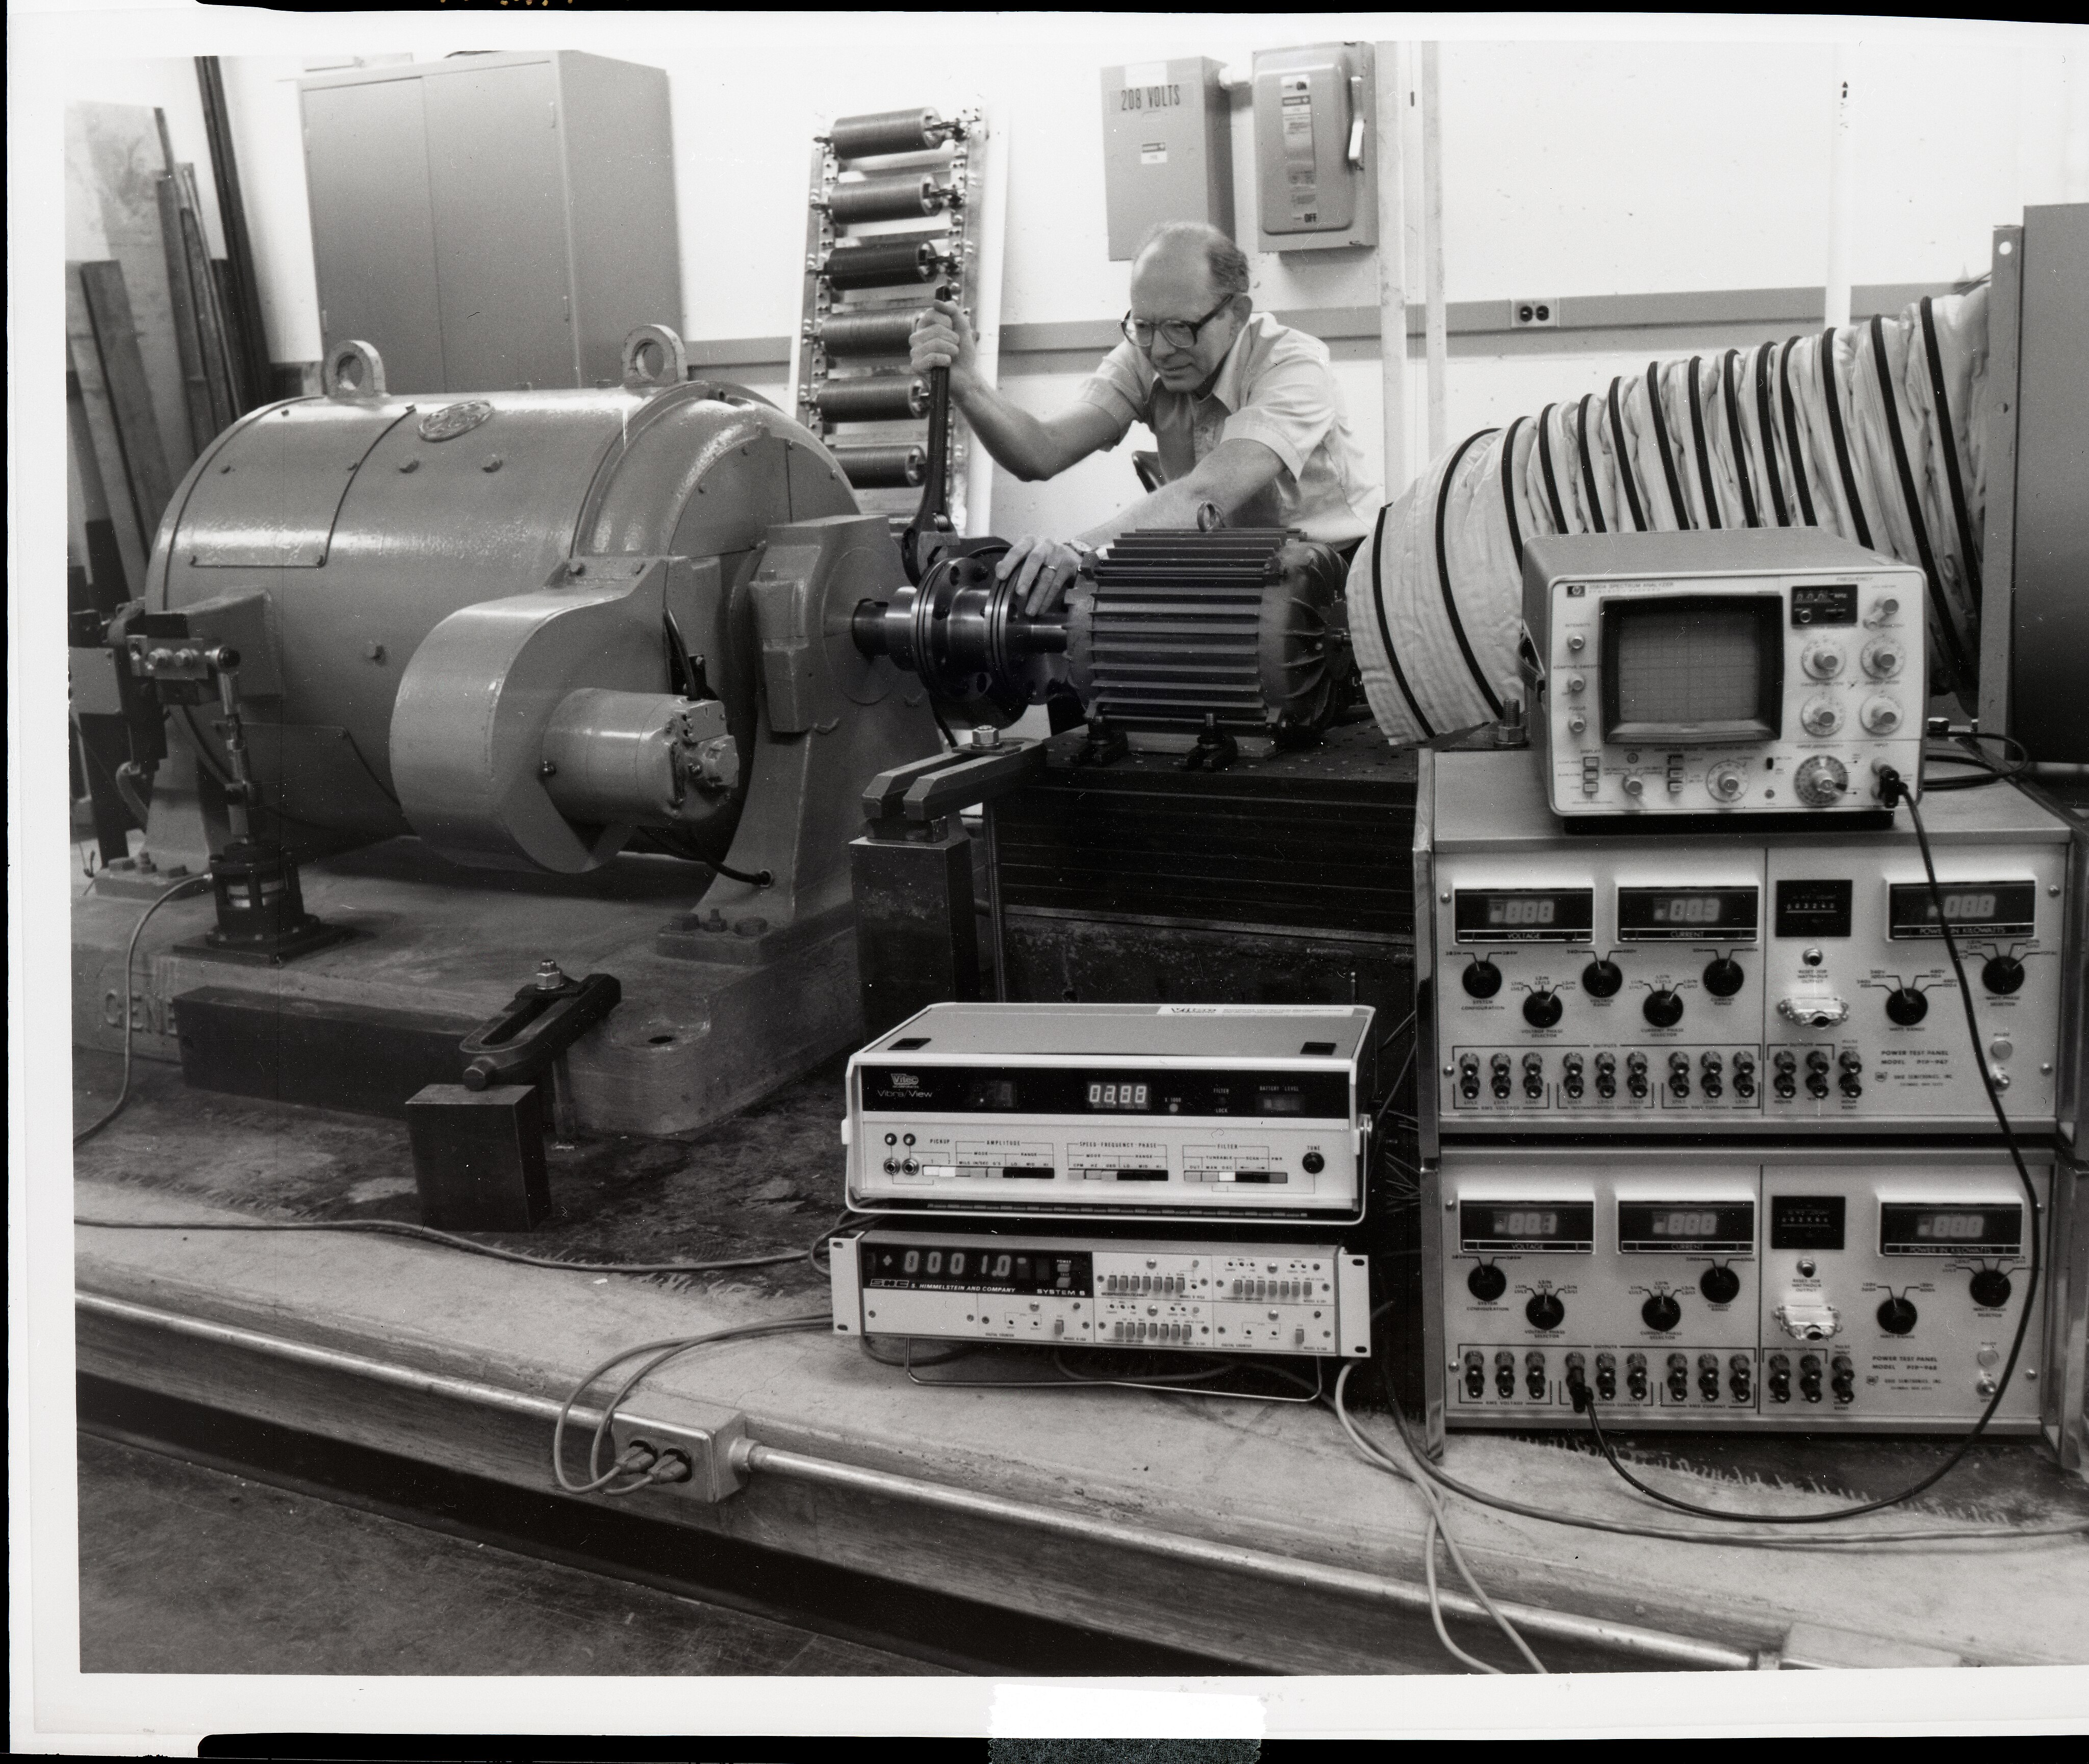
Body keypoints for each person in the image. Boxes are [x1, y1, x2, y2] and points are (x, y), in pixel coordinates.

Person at [908, 219, 1380, 616]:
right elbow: (1042, 451)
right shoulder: (1144, 354)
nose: (1159, 350)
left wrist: (1078, 550)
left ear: (1236, 314)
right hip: (1236, 576)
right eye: (1144, 326)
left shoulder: (1293, 367)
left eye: (1179, 328)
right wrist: (968, 386)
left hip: (1334, 581)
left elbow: (1207, 494)